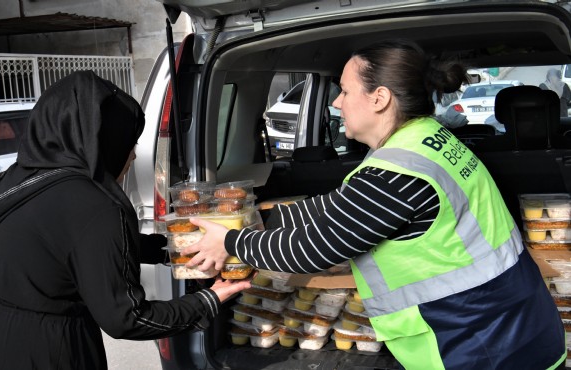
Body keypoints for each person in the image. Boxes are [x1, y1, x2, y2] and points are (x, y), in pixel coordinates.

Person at [182, 40, 566, 369]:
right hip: (514, 323)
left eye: (345, 91)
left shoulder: (395, 175)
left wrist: (233, 242)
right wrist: (258, 216)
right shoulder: (426, 141)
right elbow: (341, 206)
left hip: (477, 346)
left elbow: (309, 251)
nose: (336, 102)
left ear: (379, 98)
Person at [0, 70, 250, 370]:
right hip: (32, 352)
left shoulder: (15, 179)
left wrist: (175, 248)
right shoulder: (98, 205)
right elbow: (128, 318)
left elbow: (74, 247)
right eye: (129, 142)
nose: (133, 155)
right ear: (104, 143)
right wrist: (208, 300)